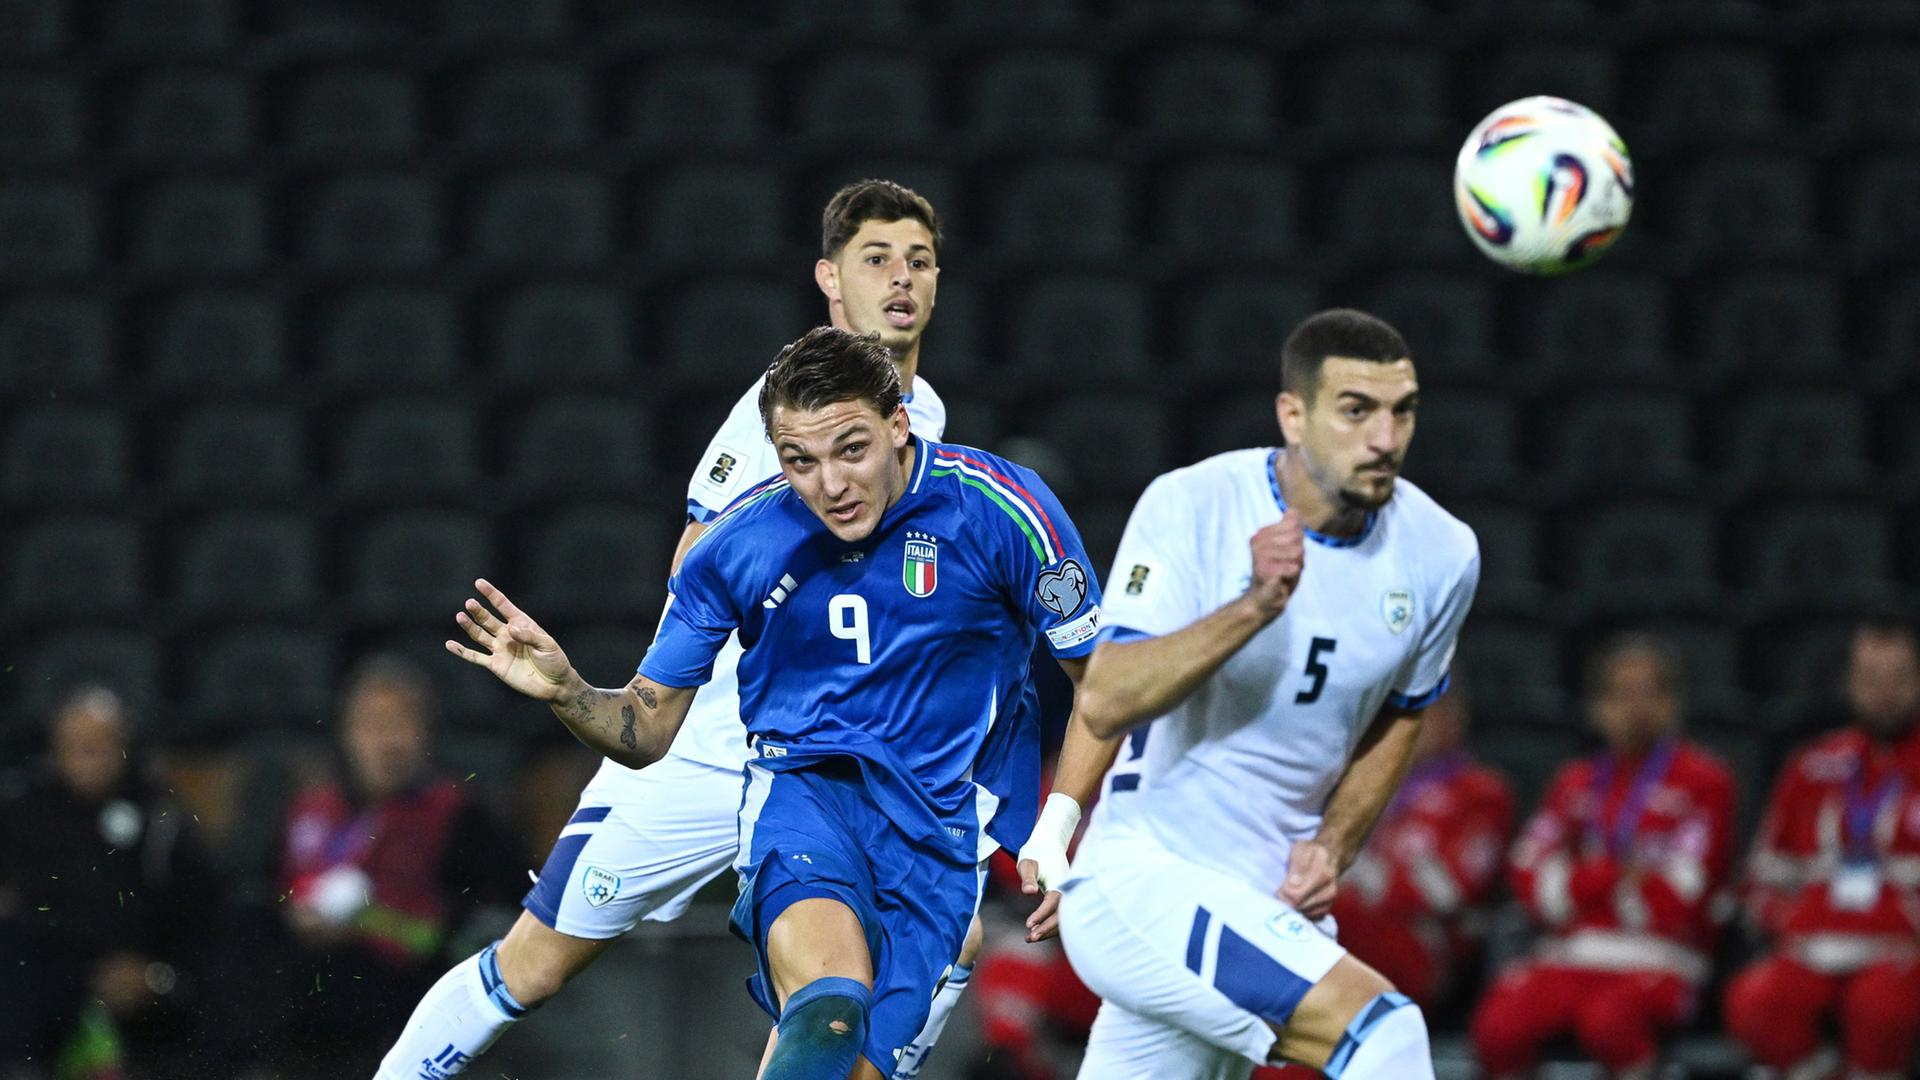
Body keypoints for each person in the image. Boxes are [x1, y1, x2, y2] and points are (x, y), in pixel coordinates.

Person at [374, 179, 981, 1080]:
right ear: (829, 279)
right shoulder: (787, 402)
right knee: (533, 966)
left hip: (821, 754)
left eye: (918, 261)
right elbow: (693, 558)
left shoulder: (917, 419)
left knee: (932, 945)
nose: (900, 278)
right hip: (705, 740)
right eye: (875, 259)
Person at [437, 326, 1113, 1080]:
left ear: (899, 425)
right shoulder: (740, 543)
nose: (829, 484)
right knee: (828, 1007)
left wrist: (1058, 825)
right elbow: (646, 730)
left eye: (850, 449)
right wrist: (568, 692)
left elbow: (1103, 685)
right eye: (800, 461)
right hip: (806, 797)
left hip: (940, 834)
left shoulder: (1005, 512)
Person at [1055, 308, 1480, 1079]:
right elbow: (1105, 698)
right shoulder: (1194, 504)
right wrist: (1252, 607)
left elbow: (1406, 710)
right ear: (1293, 414)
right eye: (1356, 411)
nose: (1384, 439)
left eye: (1402, 411)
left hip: (1264, 901)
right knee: (1385, 1036)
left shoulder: (1443, 552)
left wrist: (1336, 845)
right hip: (1144, 877)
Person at [1470, 634, 1737, 1080]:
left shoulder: (1705, 782)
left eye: (1648, 693)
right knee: (1497, 1027)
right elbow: (1525, 871)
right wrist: (1619, 879)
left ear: (1672, 704)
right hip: (1573, 953)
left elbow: (1683, 894)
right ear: (1597, 707)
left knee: (1610, 1023)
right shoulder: (1575, 781)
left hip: (1662, 958)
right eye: (1620, 694)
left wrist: (1574, 883)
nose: (1634, 707)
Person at [254, 655, 523, 1079]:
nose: (389, 741)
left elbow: (489, 915)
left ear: (425, 734)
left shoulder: (462, 816)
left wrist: (376, 925)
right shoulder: (312, 810)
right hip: (307, 1010)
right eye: (374, 725)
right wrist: (293, 915)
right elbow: (272, 892)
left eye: (401, 724)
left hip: (409, 1007)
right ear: (348, 734)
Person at [1723, 621, 1920, 1080]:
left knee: (1880, 1008)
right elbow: (1763, 873)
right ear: (1851, 683)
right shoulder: (1812, 765)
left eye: (1899, 678)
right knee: (1752, 1001)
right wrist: (1786, 922)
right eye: (1871, 679)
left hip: (1901, 949)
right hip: (1814, 943)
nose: (1884, 692)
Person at [0, 686, 219, 1080]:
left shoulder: (159, 814)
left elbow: (195, 908)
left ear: (125, 747)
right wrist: (86, 973)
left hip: (146, 982)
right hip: (51, 981)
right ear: (55, 750)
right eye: (75, 745)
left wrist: (154, 972)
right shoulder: (23, 814)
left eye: (101, 744)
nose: (89, 756)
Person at [1329, 677, 1515, 1013]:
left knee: (1324, 923)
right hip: (1359, 928)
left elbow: (1448, 892)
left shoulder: (1481, 792)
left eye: (1426, 712)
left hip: (1428, 945)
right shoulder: (1374, 781)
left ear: (1455, 717)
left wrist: (1370, 877)